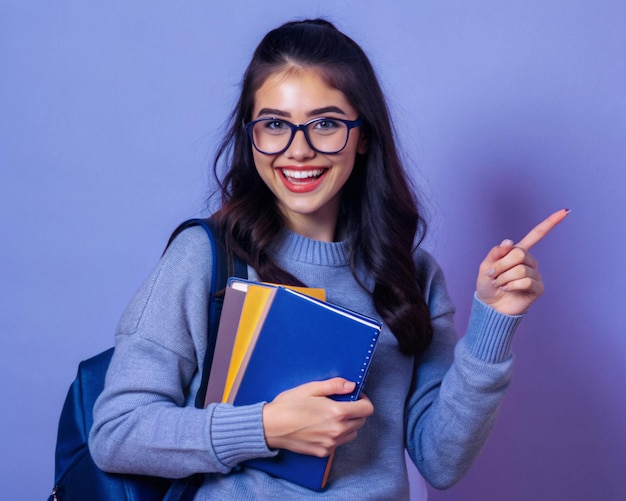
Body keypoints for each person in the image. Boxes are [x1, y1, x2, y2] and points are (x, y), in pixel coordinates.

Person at [89, 19, 568, 499]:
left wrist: (494, 323)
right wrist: (265, 427)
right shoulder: (205, 257)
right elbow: (117, 433)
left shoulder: (412, 275)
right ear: (249, 133)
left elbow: (441, 461)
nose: (299, 150)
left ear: (362, 135)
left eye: (325, 124)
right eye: (275, 124)